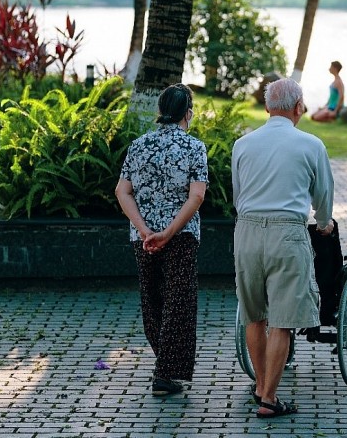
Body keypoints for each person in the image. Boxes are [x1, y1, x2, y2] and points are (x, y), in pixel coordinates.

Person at [232, 78, 335, 418]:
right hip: (287, 234)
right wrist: (323, 224)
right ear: (297, 108)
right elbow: (323, 198)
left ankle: (262, 387)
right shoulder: (311, 144)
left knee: (254, 315)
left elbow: (238, 195)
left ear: (266, 107)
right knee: (282, 321)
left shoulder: (242, 145)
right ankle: (268, 399)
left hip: (246, 232)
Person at [115, 83, 208, 397]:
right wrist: (168, 232)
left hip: (142, 238)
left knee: (153, 300)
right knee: (178, 303)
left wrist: (144, 230)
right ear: (187, 113)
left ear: (161, 110)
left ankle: (165, 368)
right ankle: (165, 375)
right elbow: (196, 196)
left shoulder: (138, 145)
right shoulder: (194, 147)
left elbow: (122, 191)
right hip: (179, 236)